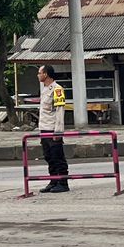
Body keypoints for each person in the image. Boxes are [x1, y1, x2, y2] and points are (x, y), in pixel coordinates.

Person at [36, 64, 70, 193]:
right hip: (44, 127)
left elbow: (60, 111)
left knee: (57, 156)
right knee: (48, 156)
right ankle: (53, 180)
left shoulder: (57, 89)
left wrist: (58, 131)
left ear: (46, 74)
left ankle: (63, 182)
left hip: (52, 128)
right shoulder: (44, 89)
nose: (38, 75)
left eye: (39, 73)